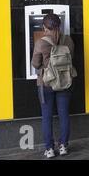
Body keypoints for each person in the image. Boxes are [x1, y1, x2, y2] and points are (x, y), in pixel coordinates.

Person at [31, 13, 75, 158]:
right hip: (64, 82)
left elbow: (35, 64)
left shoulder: (40, 42)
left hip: (46, 84)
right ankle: (63, 146)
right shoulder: (67, 40)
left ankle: (49, 149)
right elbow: (70, 58)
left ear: (44, 27)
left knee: (47, 116)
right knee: (64, 115)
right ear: (60, 25)